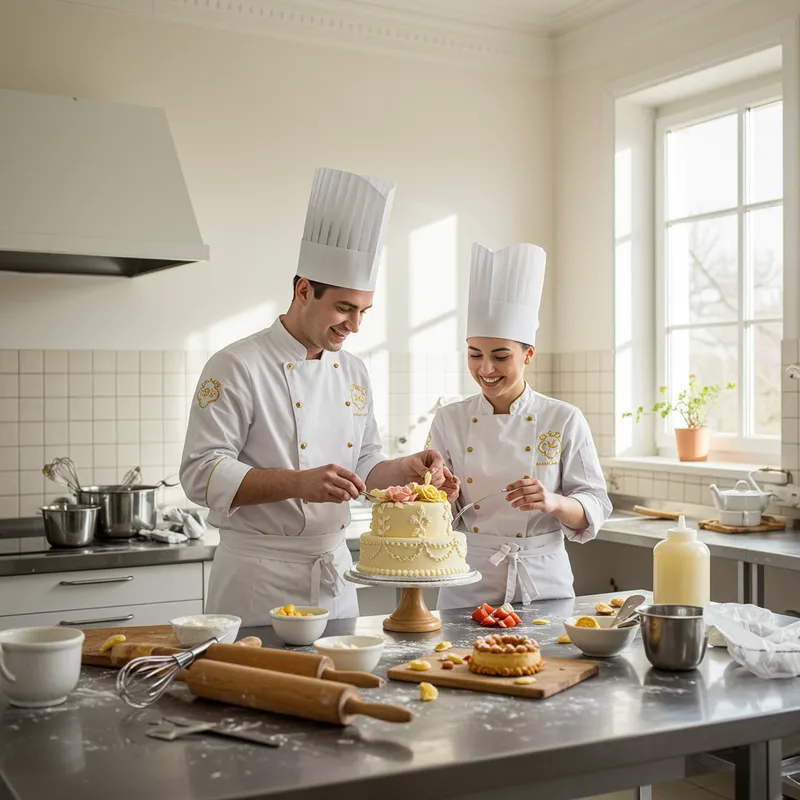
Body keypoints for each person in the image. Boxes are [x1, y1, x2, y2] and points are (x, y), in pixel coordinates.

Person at [180, 167, 454, 625]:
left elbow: (365, 467)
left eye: (364, 310)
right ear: (303, 290)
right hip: (256, 582)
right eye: (344, 307)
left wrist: (405, 468)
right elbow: (200, 474)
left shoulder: (354, 371)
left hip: (336, 578)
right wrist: (298, 483)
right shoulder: (237, 365)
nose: (355, 325)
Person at [429, 242, 611, 609]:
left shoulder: (562, 418)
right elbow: (435, 514)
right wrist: (442, 498)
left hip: (541, 581)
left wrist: (554, 502)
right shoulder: (450, 418)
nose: (485, 369)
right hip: (466, 579)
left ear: (528, 354)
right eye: (474, 355)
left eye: (500, 356)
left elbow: (595, 503)